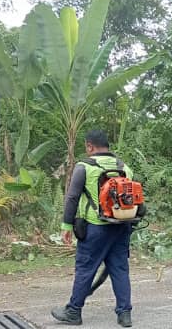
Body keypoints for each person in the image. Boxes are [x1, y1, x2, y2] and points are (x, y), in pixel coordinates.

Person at [52, 130, 134, 327]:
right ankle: (124, 314)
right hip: (121, 226)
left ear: (90, 146)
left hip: (95, 229)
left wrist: (66, 225)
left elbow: (72, 197)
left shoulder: (84, 167)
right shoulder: (125, 168)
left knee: (85, 269)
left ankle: (73, 312)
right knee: (120, 270)